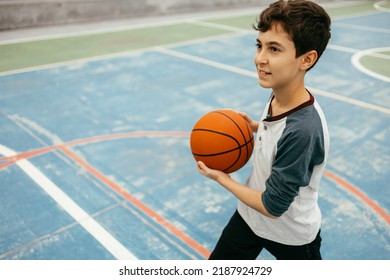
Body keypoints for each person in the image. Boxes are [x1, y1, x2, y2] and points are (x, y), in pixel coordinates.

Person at [197, 0, 331, 260]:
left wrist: (222, 178)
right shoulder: (281, 94)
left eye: (275, 49)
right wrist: (256, 127)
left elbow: (272, 206)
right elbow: (279, 130)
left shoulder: (304, 130)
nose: (260, 58)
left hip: (291, 235)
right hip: (250, 218)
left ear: (307, 59)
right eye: (259, 45)